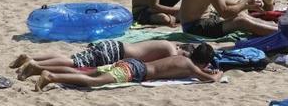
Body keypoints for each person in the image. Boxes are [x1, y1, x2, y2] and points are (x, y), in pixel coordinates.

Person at [34, 43, 221, 91]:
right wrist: (218, 75)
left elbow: (197, 71)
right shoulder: (190, 66)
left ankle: (42, 70)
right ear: (203, 62)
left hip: (132, 63)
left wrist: (202, 70)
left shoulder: (184, 61)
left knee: (89, 71)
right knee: (95, 81)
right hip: (134, 71)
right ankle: (52, 77)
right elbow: (210, 79)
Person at [10, 40, 193, 79]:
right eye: (185, 56)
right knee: (75, 63)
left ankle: (30, 58)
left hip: (114, 46)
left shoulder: (166, 43)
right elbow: (170, 65)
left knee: (72, 58)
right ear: (182, 49)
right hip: (115, 53)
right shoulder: (171, 49)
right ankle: (36, 65)